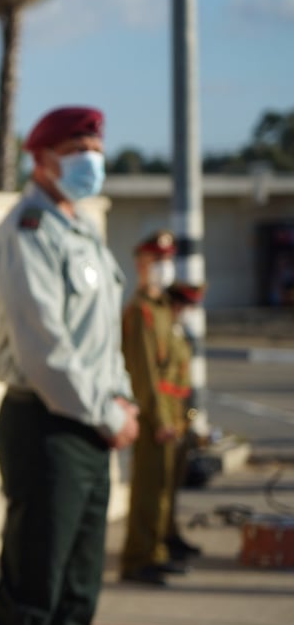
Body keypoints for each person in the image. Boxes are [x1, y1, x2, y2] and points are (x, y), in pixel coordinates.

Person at [0, 105, 140, 625]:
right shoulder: (27, 233)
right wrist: (108, 414)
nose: (89, 161)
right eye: (77, 151)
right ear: (42, 160)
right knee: (35, 587)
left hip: (91, 428)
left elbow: (102, 339)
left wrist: (120, 400)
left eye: (94, 149)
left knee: (78, 588)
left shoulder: (82, 232)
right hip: (46, 425)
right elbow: (45, 350)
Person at [119, 230, 188, 586]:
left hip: (170, 413)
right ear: (140, 265)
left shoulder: (163, 309)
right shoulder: (141, 312)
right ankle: (138, 559)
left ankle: (156, 551)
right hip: (152, 414)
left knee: (163, 488)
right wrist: (160, 419)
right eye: (155, 261)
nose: (163, 268)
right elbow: (145, 373)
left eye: (166, 260)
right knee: (148, 489)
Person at [164, 280, 207, 562]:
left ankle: (170, 536)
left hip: (180, 416)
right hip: (166, 418)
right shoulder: (161, 326)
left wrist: (191, 419)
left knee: (173, 484)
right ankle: (154, 547)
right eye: (184, 305)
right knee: (158, 488)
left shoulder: (180, 331)